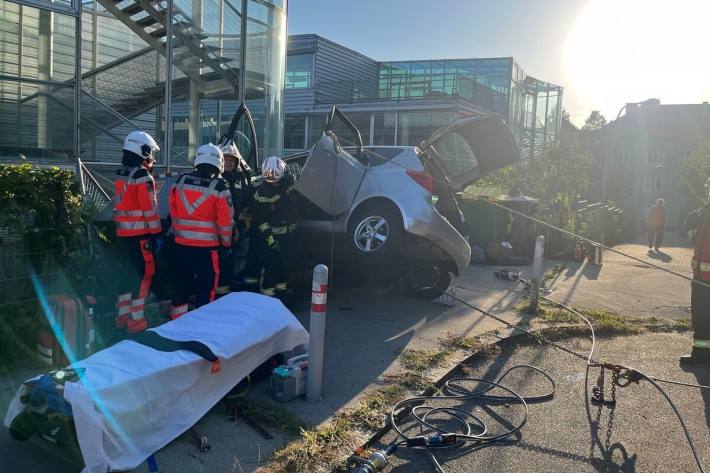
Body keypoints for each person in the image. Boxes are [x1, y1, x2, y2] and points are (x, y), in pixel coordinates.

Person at [168, 144, 234, 319]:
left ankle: (177, 322)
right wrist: (226, 244)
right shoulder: (220, 188)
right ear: (219, 163)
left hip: (181, 245)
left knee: (181, 285)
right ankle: (203, 323)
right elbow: (225, 223)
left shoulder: (179, 182)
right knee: (206, 287)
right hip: (207, 249)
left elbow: (173, 213)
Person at [114, 131, 162, 333]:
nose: (151, 157)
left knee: (125, 278)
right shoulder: (143, 177)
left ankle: (122, 318)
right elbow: (149, 210)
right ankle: (136, 322)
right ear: (142, 151)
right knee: (145, 276)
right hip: (141, 235)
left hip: (122, 234)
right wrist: (157, 233)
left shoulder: (121, 173)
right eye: (150, 152)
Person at [242, 156, 298, 297]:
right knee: (271, 267)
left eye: (276, 179)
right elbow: (260, 219)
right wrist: (269, 238)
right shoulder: (261, 191)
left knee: (285, 266)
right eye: (269, 180)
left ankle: (282, 294)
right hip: (270, 237)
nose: (273, 182)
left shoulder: (290, 185)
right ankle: (268, 296)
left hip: (289, 235)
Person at [215, 141, 253, 296]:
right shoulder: (216, 180)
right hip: (218, 228)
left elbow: (245, 199)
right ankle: (219, 291)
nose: (229, 162)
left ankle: (229, 288)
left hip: (235, 228)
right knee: (220, 260)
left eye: (232, 160)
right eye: (226, 159)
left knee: (232, 259)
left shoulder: (239, 179)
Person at [682, 177, 710, 365]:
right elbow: (692, 236)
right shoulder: (702, 214)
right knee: (700, 318)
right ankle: (700, 354)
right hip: (700, 280)